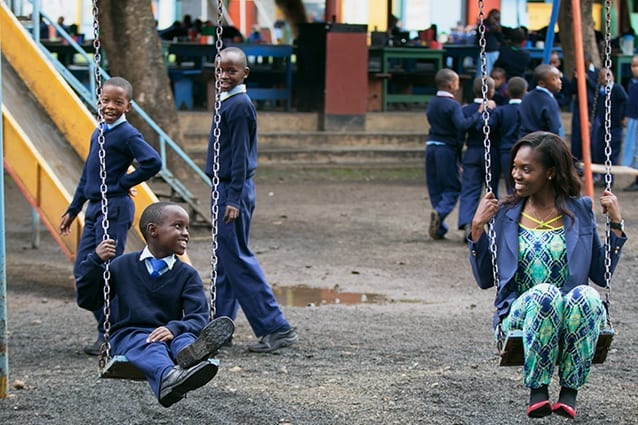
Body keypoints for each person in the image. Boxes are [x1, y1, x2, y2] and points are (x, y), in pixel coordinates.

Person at [468, 131, 627, 419]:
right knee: (545, 294)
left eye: (526, 169)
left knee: (587, 295)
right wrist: (477, 228)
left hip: (571, 313)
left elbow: (601, 275)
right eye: (515, 166)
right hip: (520, 313)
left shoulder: (579, 211)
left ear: (550, 172)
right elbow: (484, 279)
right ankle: (538, 390)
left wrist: (615, 222)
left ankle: (569, 392)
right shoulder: (504, 213)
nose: (516, 174)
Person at [75, 202, 235, 407]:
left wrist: (173, 328)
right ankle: (169, 376)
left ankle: (189, 356)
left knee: (184, 338)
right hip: (130, 334)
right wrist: (94, 261)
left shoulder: (187, 275)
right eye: (178, 226)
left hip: (171, 334)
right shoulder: (121, 266)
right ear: (153, 231)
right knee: (151, 345)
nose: (186, 233)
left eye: (187, 228)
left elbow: (198, 318)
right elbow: (88, 301)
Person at [59, 77, 162, 356]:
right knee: (85, 269)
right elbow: (88, 175)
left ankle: (113, 335)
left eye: (118, 102)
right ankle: (111, 329)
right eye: (106, 101)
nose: (110, 106)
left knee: (107, 270)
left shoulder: (127, 134)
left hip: (113, 208)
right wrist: (73, 208)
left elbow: (153, 161)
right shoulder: (100, 132)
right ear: (99, 101)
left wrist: (124, 183)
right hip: (95, 207)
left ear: (128, 106)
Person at [205, 47, 297, 352]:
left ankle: (275, 326)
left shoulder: (240, 105)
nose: (224, 76)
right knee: (226, 262)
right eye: (220, 70)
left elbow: (242, 156)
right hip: (226, 188)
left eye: (232, 71)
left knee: (238, 259)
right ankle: (220, 327)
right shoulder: (227, 102)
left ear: (245, 73)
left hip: (234, 190)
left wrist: (232, 198)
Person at [425, 68, 488, 240]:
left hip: (431, 145)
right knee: (453, 187)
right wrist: (478, 114)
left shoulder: (432, 102)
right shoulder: (452, 105)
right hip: (446, 148)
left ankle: (439, 227)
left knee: (435, 187)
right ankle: (440, 212)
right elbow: (461, 125)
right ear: (451, 84)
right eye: (457, 82)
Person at [458, 76, 499, 238]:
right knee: (492, 191)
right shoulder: (495, 109)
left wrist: (460, 157)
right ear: (490, 91)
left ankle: (468, 222)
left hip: (471, 152)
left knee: (469, 190)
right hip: (491, 152)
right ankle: (492, 226)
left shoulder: (466, 110)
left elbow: (460, 135)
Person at [488, 76, 528, 194]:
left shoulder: (500, 110)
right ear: (525, 92)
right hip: (524, 151)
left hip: (505, 151)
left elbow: (491, 128)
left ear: (507, 92)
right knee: (522, 185)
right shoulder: (527, 110)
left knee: (510, 184)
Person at [590, 68, 628, 184]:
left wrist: (623, 117)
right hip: (603, 126)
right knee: (600, 151)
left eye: (608, 75)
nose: (605, 78)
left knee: (612, 152)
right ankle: (602, 176)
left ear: (613, 77)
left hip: (615, 125)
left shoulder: (617, 89)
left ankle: (609, 179)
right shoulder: (600, 92)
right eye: (602, 76)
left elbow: (625, 101)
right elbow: (596, 108)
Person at [519, 64, 563, 137]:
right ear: (542, 83)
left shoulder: (527, 97)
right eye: (554, 79)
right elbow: (554, 127)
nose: (559, 82)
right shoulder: (549, 101)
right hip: (543, 142)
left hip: (525, 139)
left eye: (559, 78)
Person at [623, 55, 638, 191]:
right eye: (633, 66)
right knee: (633, 149)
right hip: (633, 119)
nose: (635, 69)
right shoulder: (631, 83)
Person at [475, 9, 503, 77]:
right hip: (485, 52)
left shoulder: (498, 27)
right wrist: (491, 29)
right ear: (489, 16)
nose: (495, 20)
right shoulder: (482, 24)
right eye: (494, 18)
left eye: (497, 19)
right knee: (483, 74)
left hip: (495, 52)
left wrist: (498, 31)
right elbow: (481, 36)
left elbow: (501, 39)